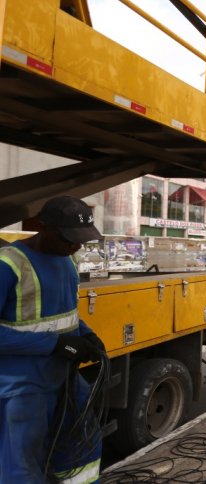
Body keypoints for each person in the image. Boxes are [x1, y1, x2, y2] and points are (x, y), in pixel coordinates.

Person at [0, 196, 106, 483]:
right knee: (22, 464)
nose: (76, 246)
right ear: (43, 227)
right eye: (69, 239)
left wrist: (86, 335)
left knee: (82, 447)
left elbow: (65, 313)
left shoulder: (67, 260)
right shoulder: (9, 265)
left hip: (63, 378)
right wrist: (55, 345)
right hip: (23, 387)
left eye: (81, 240)